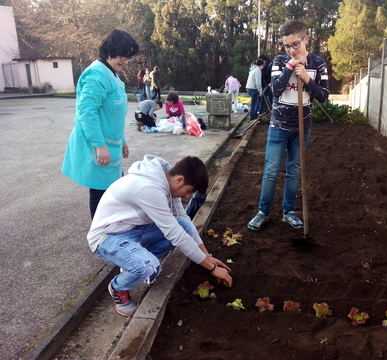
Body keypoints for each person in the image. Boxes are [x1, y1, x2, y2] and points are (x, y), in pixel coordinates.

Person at [87, 155, 233, 316]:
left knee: (182, 226)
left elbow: (183, 220)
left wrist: (207, 255)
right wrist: (212, 268)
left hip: (133, 228)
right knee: (149, 268)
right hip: (107, 237)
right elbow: (175, 234)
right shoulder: (149, 189)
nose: (187, 197)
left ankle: (133, 262)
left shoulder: (166, 177)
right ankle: (118, 287)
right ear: (179, 179)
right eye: (189, 191)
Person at [247, 19, 329, 231]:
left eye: (296, 44)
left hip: (303, 128)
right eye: (287, 45)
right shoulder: (279, 61)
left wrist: (307, 80)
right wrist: (290, 68)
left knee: (294, 170)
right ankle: (263, 212)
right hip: (278, 127)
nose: (291, 50)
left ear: (306, 39)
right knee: (271, 171)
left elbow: (324, 96)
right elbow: (275, 90)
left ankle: (289, 211)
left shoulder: (318, 63)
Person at [62, 29, 139, 219]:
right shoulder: (96, 75)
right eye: (122, 55)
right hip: (101, 146)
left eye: (128, 57)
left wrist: (122, 139)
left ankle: (110, 231)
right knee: (101, 195)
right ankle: (101, 237)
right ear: (111, 49)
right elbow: (87, 113)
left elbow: (111, 114)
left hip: (111, 145)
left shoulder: (111, 74)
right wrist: (99, 145)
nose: (125, 61)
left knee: (113, 193)